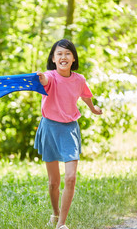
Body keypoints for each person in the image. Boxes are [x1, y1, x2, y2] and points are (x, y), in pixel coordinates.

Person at [35, 39, 103, 229]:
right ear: (53, 58)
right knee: (53, 182)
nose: (63, 57)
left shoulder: (79, 79)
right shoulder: (49, 76)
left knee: (71, 177)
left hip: (70, 130)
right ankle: (55, 213)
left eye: (67, 53)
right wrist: (40, 77)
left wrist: (93, 109)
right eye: (59, 54)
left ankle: (62, 224)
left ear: (73, 58)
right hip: (49, 129)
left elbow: (86, 95)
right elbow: (45, 81)